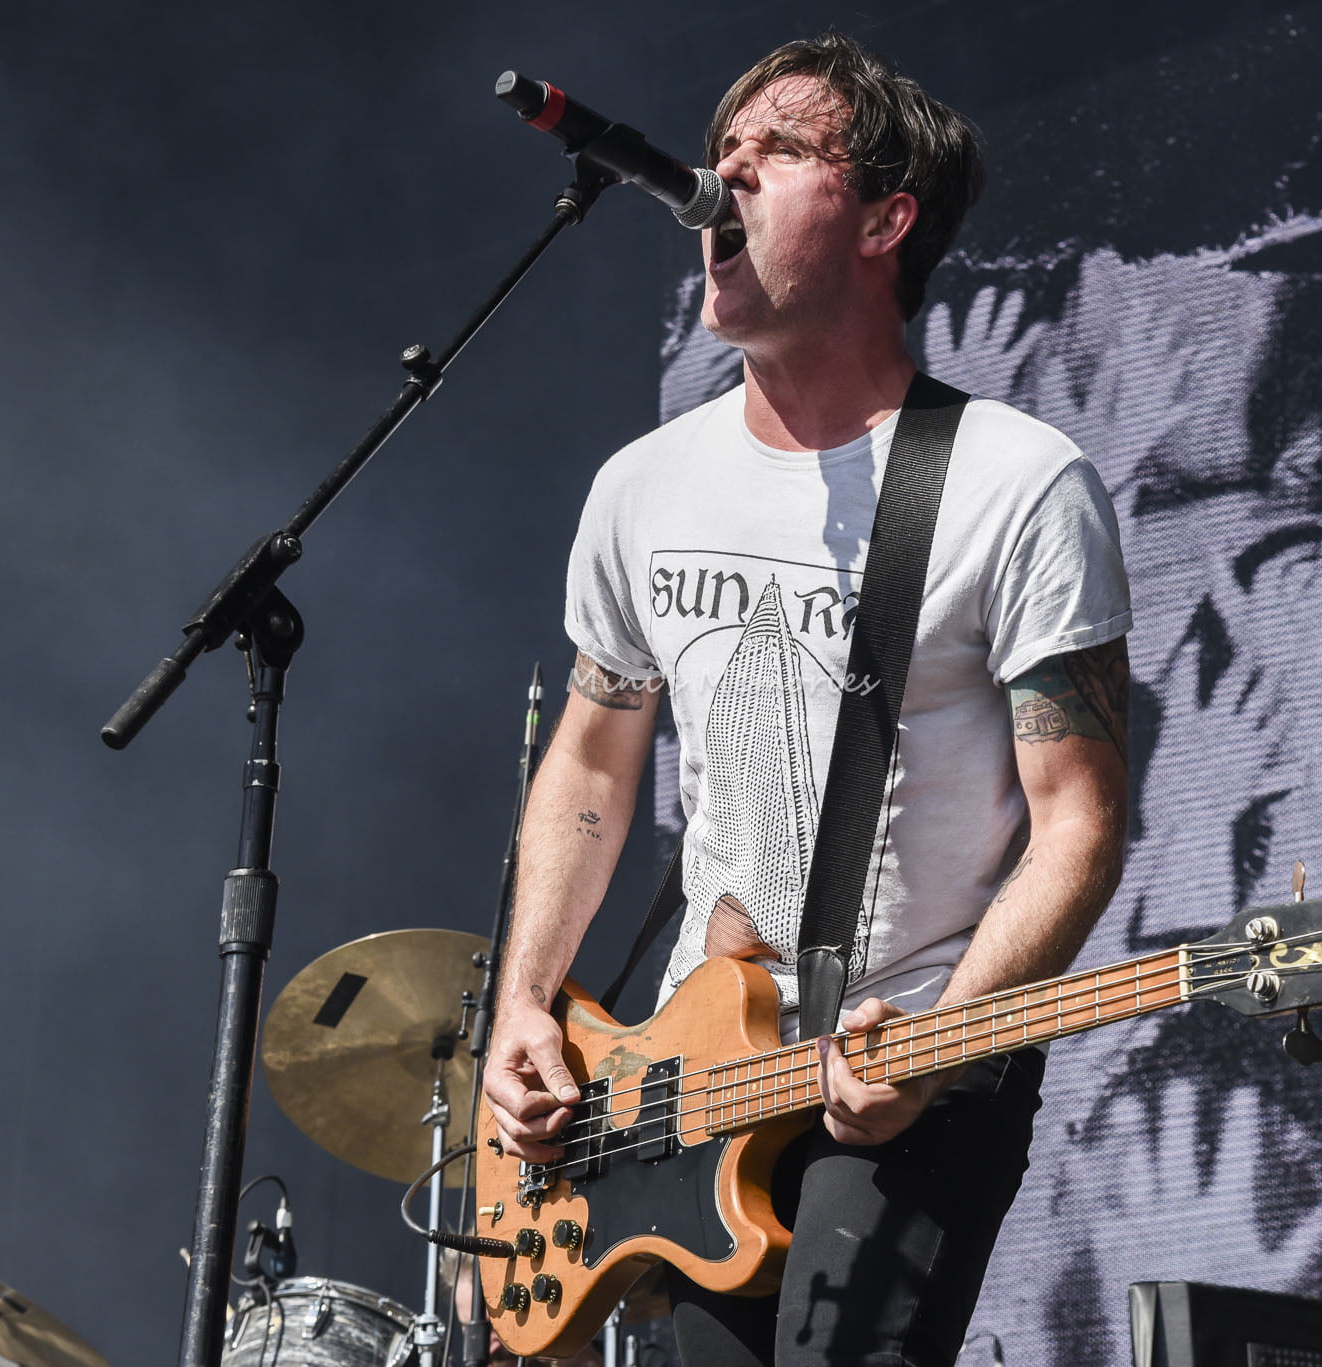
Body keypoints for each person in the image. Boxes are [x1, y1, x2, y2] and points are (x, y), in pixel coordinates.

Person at [481, 31, 1132, 1367]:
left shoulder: (1017, 483)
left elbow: (1079, 824)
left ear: (888, 218)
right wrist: (527, 1003)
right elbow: (594, 763)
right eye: (723, 151)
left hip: (916, 1050)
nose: (725, 175)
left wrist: (940, 1048)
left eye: (779, 151)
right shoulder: (643, 487)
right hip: (696, 1071)